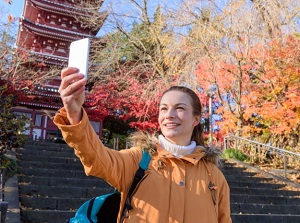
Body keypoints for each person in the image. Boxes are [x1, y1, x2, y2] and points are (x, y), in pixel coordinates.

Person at [54, 67, 232, 223]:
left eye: (180, 108)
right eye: (163, 108)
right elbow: (96, 157)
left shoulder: (214, 177)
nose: (169, 115)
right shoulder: (137, 160)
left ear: (196, 119)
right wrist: (74, 113)